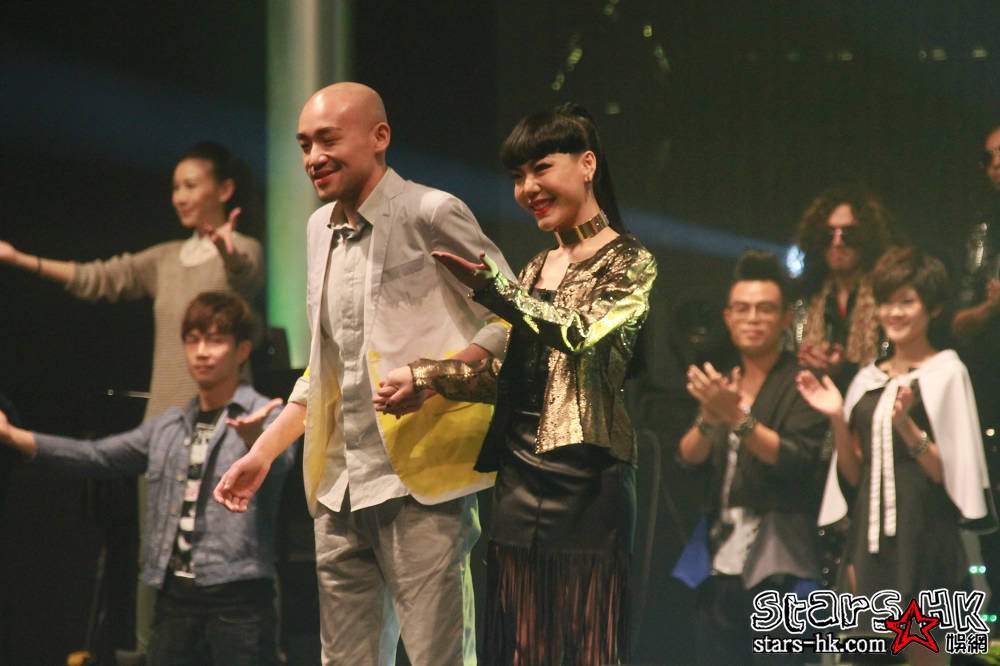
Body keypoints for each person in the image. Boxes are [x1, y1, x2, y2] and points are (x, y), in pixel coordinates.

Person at [214, 82, 512, 666]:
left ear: (380, 137)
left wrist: (431, 375)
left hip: (420, 485)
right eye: (304, 145)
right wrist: (264, 452)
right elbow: (326, 367)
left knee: (439, 659)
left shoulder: (432, 211)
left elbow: (510, 322)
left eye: (328, 140)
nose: (313, 157)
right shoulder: (317, 229)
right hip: (339, 487)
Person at [375, 103, 657, 666]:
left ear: (587, 164)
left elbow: (577, 334)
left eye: (541, 168)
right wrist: (427, 378)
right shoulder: (533, 267)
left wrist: (497, 292)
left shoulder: (631, 261)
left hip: (587, 477)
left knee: (584, 640)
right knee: (522, 640)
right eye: (518, 176)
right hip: (518, 471)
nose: (528, 189)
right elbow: (514, 379)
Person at [0, 291, 292, 666]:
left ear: (242, 350)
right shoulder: (170, 425)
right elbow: (97, 456)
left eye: (216, 340)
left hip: (239, 596)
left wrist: (258, 444)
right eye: (193, 340)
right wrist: (12, 436)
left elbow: (284, 465)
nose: (202, 352)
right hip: (175, 596)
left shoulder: (267, 415)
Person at [798, 247, 995, 666]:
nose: (895, 312)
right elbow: (853, 476)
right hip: (868, 545)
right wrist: (836, 418)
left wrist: (906, 425)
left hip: (925, 538)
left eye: (907, 301)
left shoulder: (947, 371)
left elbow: (950, 475)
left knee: (926, 655)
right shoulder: (867, 377)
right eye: (887, 302)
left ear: (932, 308)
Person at [0, 141, 263, 421]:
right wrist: (19, 258)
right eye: (176, 188)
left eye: (190, 186)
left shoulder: (244, 248)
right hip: (166, 414)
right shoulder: (165, 258)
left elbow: (244, 275)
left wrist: (228, 253)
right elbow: (98, 277)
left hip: (223, 415)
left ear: (224, 190)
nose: (180, 198)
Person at [673, 250, 827, 666]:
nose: (752, 318)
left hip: (783, 565)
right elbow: (687, 459)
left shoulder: (804, 382)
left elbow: (796, 460)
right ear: (727, 317)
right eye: (742, 309)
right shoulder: (725, 381)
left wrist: (737, 417)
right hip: (719, 562)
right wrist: (710, 417)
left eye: (765, 309)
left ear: (785, 317)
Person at [952, 123, 1000, 616]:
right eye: (989, 157)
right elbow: (956, 323)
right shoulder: (981, 235)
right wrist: (990, 309)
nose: (996, 163)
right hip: (989, 397)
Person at [793, 184, 894, 389]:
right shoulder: (806, 299)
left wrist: (843, 368)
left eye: (849, 234)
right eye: (828, 234)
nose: (837, 242)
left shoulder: (888, 295)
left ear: (867, 237)